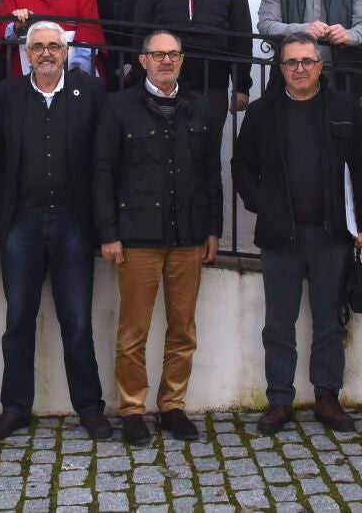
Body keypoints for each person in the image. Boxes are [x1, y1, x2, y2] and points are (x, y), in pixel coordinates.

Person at [232, 34, 362, 435]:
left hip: (332, 234)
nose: (300, 69)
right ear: (281, 68)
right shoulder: (262, 112)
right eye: (291, 62)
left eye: (307, 61)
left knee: (329, 321)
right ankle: (279, 399)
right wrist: (262, 203)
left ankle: (327, 397)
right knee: (278, 323)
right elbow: (241, 165)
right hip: (280, 236)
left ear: (320, 66)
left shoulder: (345, 108)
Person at [0, 20, 112, 441]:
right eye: (37, 46)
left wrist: (104, 225)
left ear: (65, 51)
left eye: (53, 46)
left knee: (77, 322)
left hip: (73, 223)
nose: (45, 53)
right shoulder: (7, 95)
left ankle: (90, 408)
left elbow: (101, 160)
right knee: (18, 320)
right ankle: (15, 408)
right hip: (22, 223)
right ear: (27, 53)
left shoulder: (90, 91)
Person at [92, 30, 221, 446]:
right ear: (143, 60)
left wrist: (213, 228)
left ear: (182, 60)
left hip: (188, 236)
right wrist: (109, 233)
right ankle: (132, 409)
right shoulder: (118, 107)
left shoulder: (199, 106)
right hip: (137, 238)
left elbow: (211, 173)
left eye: (174, 54)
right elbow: (103, 171)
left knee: (183, 329)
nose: (167, 61)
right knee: (133, 332)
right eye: (159, 54)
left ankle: (173, 406)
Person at [132, 0, 253, 136]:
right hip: (165, 79)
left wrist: (241, 86)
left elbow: (241, 37)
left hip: (213, 81)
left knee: (208, 146)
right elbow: (140, 31)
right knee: (164, 143)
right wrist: (142, 78)